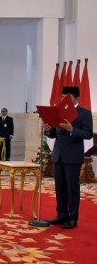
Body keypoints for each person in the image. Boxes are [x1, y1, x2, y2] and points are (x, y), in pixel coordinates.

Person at [44, 86, 93, 229]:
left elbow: (88, 134)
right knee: (60, 187)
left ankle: (72, 218)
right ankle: (61, 215)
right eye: (62, 97)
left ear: (76, 98)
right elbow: (54, 133)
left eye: (68, 97)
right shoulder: (59, 112)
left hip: (72, 156)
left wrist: (72, 130)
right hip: (58, 154)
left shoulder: (84, 113)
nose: (64, 100)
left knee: (72, 188)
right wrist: (48, 130)